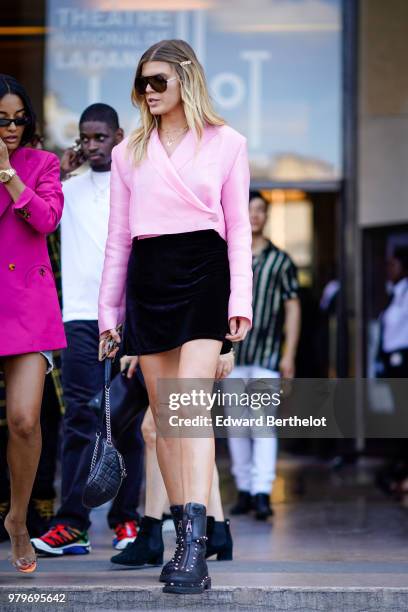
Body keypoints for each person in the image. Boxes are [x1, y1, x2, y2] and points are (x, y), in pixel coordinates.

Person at [98, 39, 252, 594]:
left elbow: (239, 230)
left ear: (186, 80)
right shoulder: (127, 152)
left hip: (205, 272)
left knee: (188, 410)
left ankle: (194, 545)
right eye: (142, 82)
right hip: (149, 274)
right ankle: (181, 534)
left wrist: (241, 304)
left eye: (158, 81)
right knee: (164, 421)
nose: (148, 92)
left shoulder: (228, 142)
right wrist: (109, 315)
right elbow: (118, 238)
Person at [31, 104, 144, 556]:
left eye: (101, 137)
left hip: (126, 317)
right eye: (86, 138)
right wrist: (60, 168)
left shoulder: (136, 186)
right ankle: (72, 523)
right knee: (79, 418)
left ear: (118, 136)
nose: (93, 146)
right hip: (78, 317)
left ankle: (126, 521)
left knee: (127, 421)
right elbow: (37, 213)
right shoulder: (67, 188)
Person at [0, 74, 66, 572]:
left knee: (25, 420)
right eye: (2, 119)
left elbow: (46, 220)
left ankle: (18, 520)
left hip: (26, 304)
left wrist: (8, 174)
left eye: (19, 118)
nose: (12, 127)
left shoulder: (42, 164)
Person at [111, 348, 235, 569]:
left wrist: (226, 348)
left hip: (195, 336)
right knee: (181, 431)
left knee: (167, 428)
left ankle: (153, 529)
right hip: (167, 336)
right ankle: (216, 528)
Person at [227, 191, 301, 521]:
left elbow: (293, 307)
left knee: (262, 426)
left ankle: (262, 492)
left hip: (268, 355)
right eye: (249, 209)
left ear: (267, 216)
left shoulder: (281, 260)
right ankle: (244, 489)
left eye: (261, 210)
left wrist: (290, 354)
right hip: (231, 355)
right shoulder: (229, 255)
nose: (255, 215)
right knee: (237, 427)